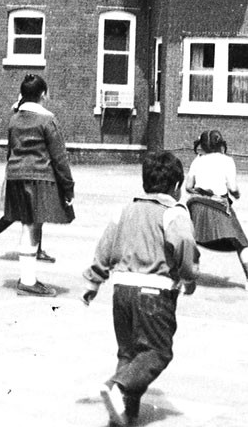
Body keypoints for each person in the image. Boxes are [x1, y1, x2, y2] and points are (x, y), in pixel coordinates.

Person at [81, 150, 199, 426]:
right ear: (177, 187)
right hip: (155, 292)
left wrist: (93, 281)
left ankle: (126, 412)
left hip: (121, 289)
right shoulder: (173, 213)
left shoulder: (124, 211)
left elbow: (105, 247)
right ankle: (117, 387)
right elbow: (184, 245)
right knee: (157, 351)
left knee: (129, 352)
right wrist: (189, 276)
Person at [3, 73, 74, 296]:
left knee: (26, 225)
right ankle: (28, 280)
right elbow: (59, 157)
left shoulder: (14, 119)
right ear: (43, 94)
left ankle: (27, 277)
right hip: (39, 177)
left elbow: (9, 150)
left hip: (15, 175)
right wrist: (68, 187)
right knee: (33, 227)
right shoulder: (47, 120)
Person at [0, 95, 55, 263]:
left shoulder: (16, 121)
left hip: (17, 171)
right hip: (27, 173)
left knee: (24, 212)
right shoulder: (30, 122)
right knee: (24, 212)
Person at [184, 129, 248, 290]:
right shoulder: (227, 161)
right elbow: (232, 188)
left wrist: (202, 192)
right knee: (241, 242)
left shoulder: (197, 160)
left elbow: (188, 187)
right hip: (218, 206)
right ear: (220, 145)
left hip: (196, 206)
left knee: (192, 240)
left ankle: (186, 275)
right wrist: (236, 194)